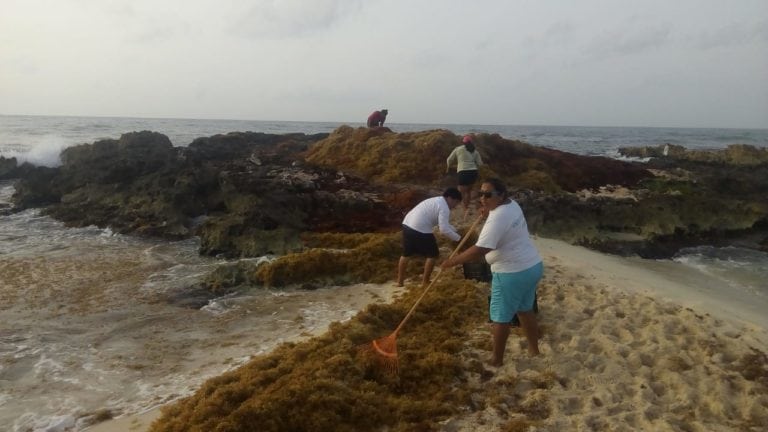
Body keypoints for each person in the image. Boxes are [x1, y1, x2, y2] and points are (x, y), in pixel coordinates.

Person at [440, 178, 543, 367]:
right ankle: (534, 350)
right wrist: (488, 211)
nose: (482, 198)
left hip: (511, 273)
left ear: (501, 195)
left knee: (500, 318)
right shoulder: (512, 205)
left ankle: (496, 360)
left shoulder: (497, 218)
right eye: (481, 194)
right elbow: (502, 226)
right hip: (532, 266)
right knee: (524, 310)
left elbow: (481, 249)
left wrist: (452, 262)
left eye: (488, 195)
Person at [396, 188, 463, 287]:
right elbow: (443, 229)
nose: (455, 206)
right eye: (456, 202)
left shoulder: (436, 200)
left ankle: (400, 281)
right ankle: (425, 282)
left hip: (407, 224)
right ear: (450, 198)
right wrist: (459, 239)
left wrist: (455, 230)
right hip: (420, 227)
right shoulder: (444, 208)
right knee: (433, 254)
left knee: (406, 253)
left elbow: (444, 224)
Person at [446, 135, 483, 219]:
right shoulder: (475, 151)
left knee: (461, 193)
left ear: (463, 142)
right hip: (473, 172)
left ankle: (465, 209)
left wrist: (448, 167)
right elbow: (480, 163)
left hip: (463, 172)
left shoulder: (458, 149)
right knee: (468, 192)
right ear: (471, 142)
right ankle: (466, 207)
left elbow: (449, 160)